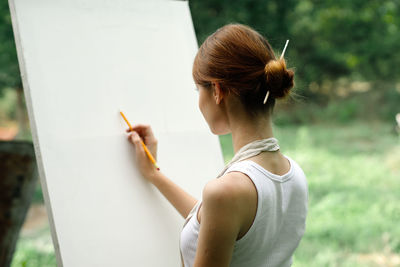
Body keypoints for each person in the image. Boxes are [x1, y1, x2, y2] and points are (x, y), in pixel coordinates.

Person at [126, 23, 308, 267]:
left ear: (217, 90)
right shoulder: (294, 175)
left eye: (197, 89)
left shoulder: (227, 192)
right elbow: (220, 225)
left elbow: (224, 212)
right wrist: (154, 174)